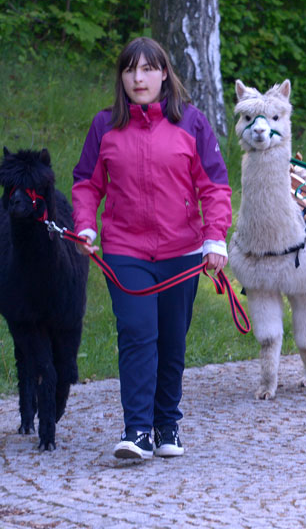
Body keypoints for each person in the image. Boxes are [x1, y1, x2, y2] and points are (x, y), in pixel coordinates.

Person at [72, 37, 232, 458]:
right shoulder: (103, 125)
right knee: (138, 333)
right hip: (125, 251)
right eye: (129, 70)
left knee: (171, 340)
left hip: (181, 251)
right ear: (121, 78)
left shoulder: (192, 123)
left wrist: (215, 237)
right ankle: (137, 431)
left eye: (147, 69)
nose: (138, 78)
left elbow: (214, 186)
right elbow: (87, 184)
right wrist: (85, 228)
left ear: (164, 74)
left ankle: (168, 425)